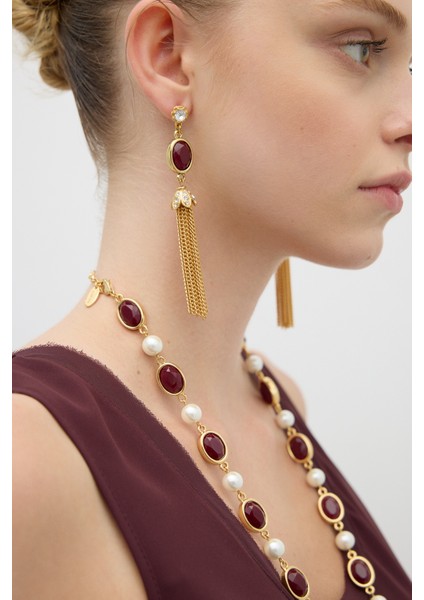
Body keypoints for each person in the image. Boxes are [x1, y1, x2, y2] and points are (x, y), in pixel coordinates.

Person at [12, 0, 412, 598]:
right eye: (360, 48)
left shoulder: (279, 407)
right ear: (169, 56)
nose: (410, 120)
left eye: (411, 67)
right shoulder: (28, 461)